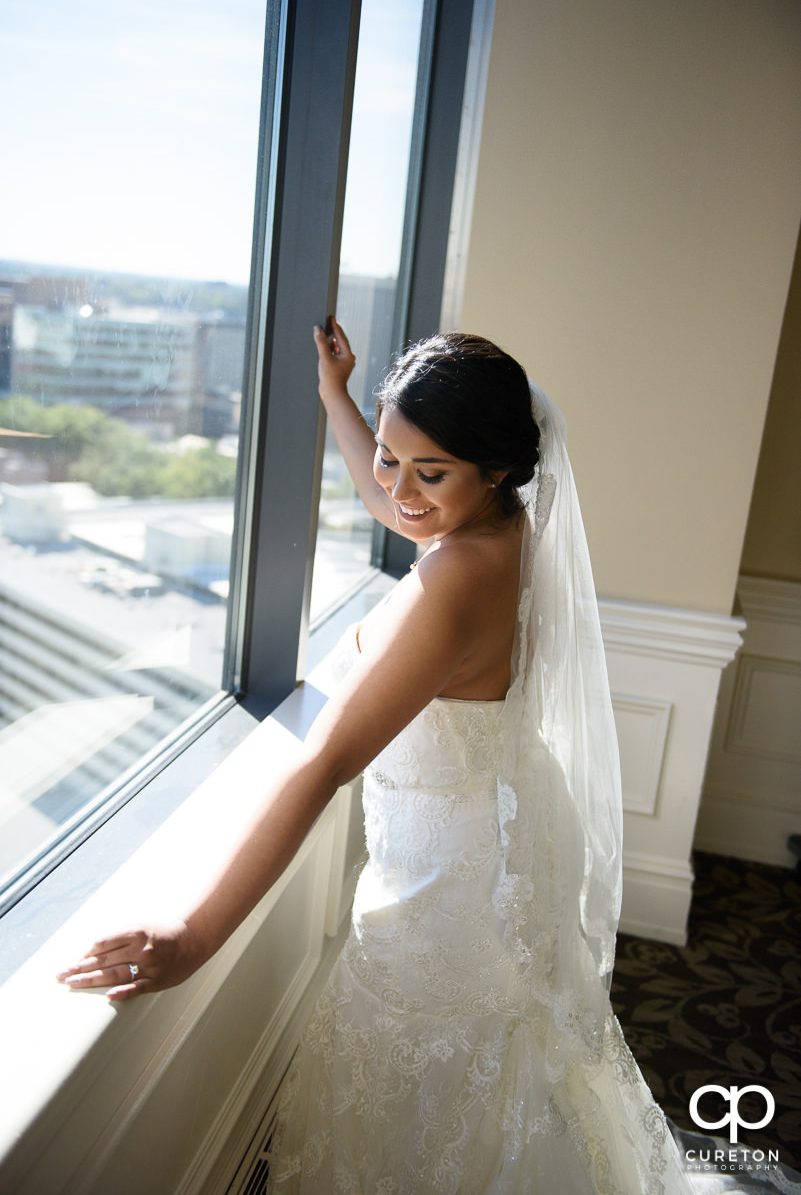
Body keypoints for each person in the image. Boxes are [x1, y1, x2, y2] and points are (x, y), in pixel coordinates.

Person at [57, 323, 694, 1192]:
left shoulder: (451, 582)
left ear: (495, 467)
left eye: (428, 471)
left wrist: (195, 935)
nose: (398, 490)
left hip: (451, 891)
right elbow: (390, 493)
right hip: (497, 835)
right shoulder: (506, 527)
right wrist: (338, 397)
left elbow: (320, 764)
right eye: (390, 457)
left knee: (440, 1088)